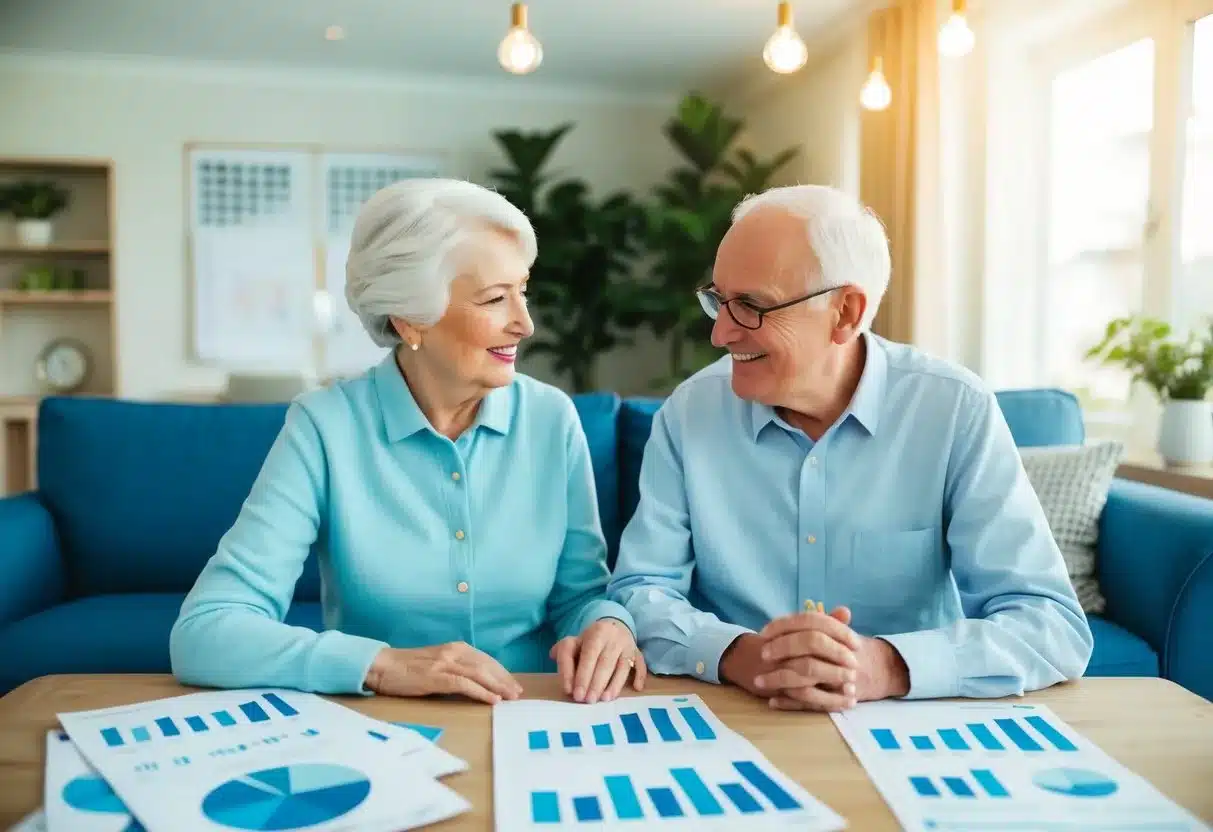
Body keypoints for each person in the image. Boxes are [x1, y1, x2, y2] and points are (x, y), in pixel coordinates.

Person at [607, 184, 1092, 711]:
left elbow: (1051, 624)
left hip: (912, 726)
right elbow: (639, 591)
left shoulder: (954, 410)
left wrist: (885, 666)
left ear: (845, 313)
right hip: (738, 714)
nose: (721, 333)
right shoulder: (689, 413)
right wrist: (740, 655)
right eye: (719, 300)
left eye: (751, 306)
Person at [171, 179, 645, 705]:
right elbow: (206, 630)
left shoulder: (551, 418)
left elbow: (580, 597)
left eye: (523, 291)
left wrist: (609, 623)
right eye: (494, 299)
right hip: (385, 730)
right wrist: (381, 665)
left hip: (535, 716)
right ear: (409, 319)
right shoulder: (324, 426)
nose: (525, 324)